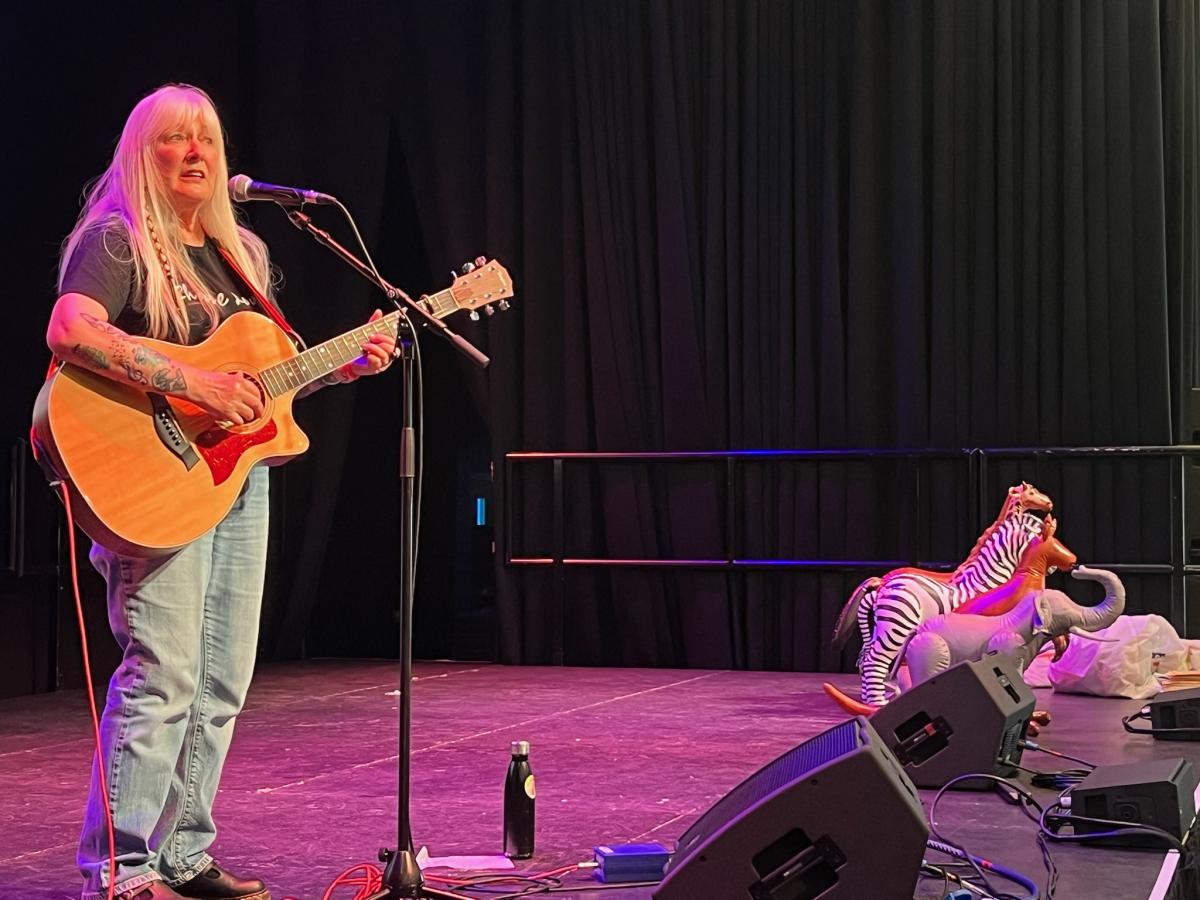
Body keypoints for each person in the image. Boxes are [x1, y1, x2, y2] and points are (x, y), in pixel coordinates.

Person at [44, 83, 396, 900]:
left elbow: (258, 388)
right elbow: (70, 328)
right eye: (175, 138)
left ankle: (183, 854)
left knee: (220, 683)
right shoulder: (119, 241)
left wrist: (342, 367)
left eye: (206, 137)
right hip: (148, 478)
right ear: (143, 155)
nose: (196, 152)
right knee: (164, 673)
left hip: (235, 480)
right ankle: (123, 870)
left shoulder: (242, 255)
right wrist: (195, 384)